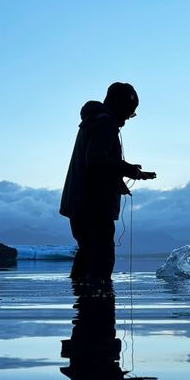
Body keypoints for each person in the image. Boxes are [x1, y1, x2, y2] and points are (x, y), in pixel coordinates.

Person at [59, 82, 156, 282]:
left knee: (87, 253)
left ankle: (83, 302)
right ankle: (97, 305)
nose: (128, 119)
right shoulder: (105, 124)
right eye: (130, 112)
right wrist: (128, 169)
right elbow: (95, 160)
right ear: (119, 104)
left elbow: (95, 165)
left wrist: (118, 181)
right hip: (93, 206)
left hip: (81, 204)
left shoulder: (93, 122)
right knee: (101, 258)